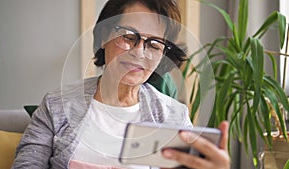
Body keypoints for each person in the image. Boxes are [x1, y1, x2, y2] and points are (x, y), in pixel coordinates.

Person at [12, 0, 230, 168]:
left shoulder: (174, 116)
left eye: (154, 45)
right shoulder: (56, 105)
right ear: (104, 36)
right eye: (128, 36)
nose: (139, 53)